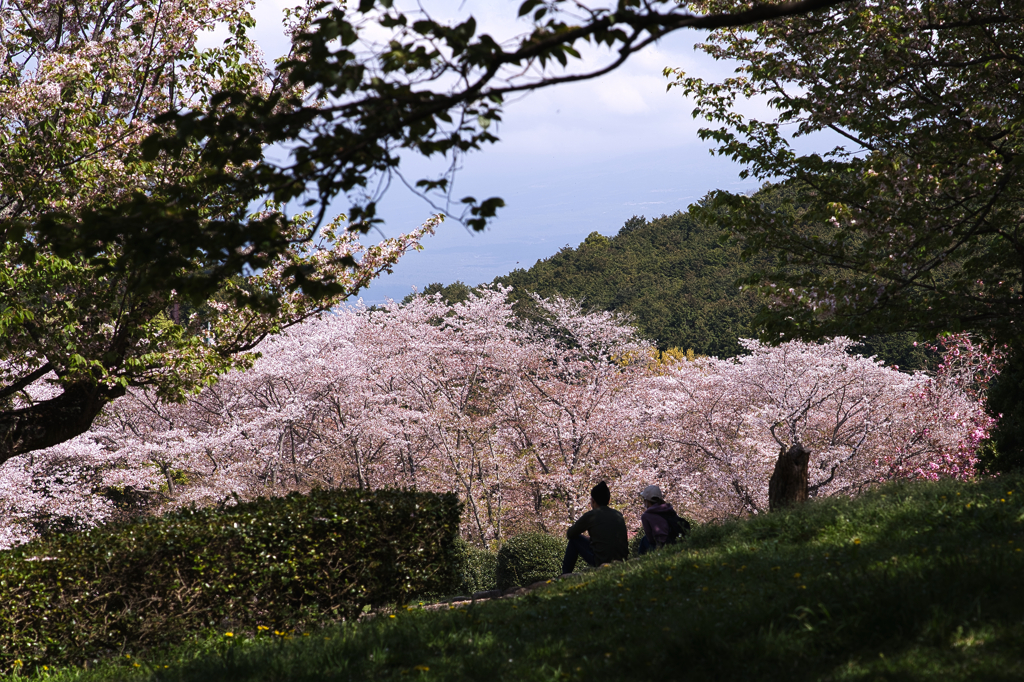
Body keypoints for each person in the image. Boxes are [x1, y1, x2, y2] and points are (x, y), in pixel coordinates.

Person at [561, 481, 629, 575]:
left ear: (592, 500)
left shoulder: (591, 516)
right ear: (609, 500)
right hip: (621, 560)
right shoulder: (618, 515)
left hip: (601, 561)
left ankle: (565, 574)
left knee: (574, 540)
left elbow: (570, 533)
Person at [637, 484, 689, 556]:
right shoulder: (668, 508)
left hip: (661, 545)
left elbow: (651, 539)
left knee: (644, 540)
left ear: (646, 500)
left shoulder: (646, 516)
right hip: (675, 541)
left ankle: (640, 560)